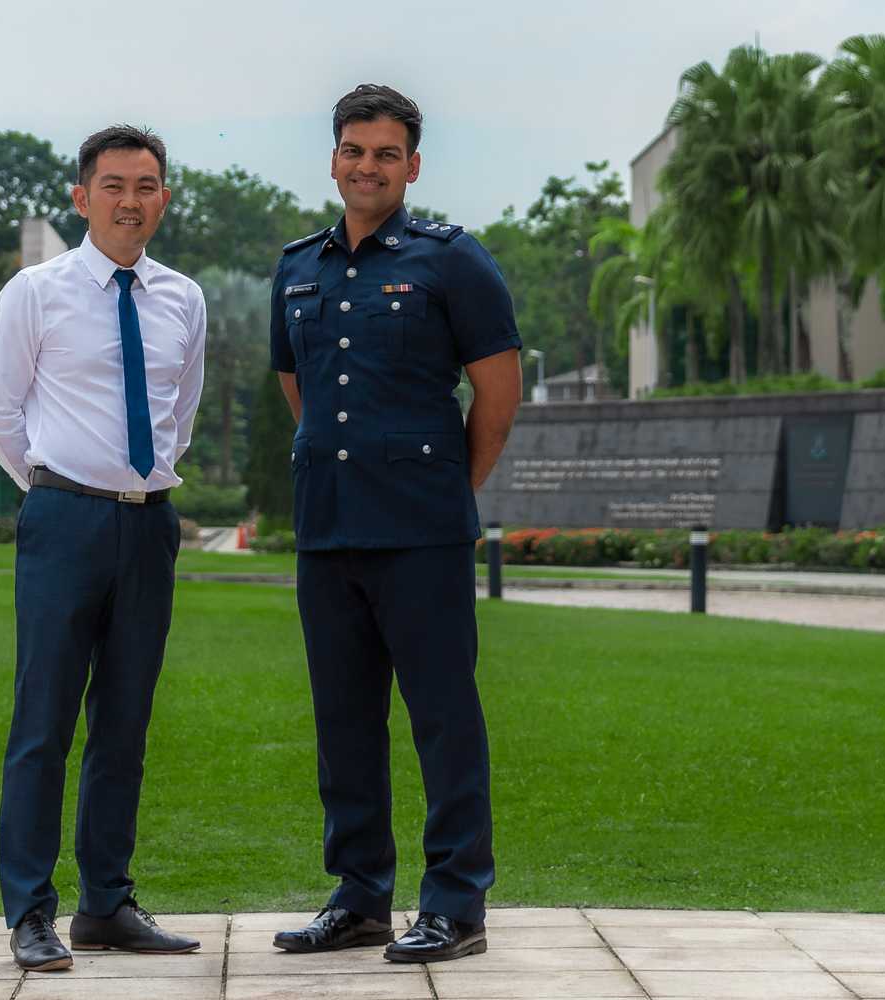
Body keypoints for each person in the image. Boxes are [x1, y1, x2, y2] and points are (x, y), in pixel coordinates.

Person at [268, 84, 522, 964]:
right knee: (343, 722)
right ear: (332, 158)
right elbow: (296, 386)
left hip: (421, 532)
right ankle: (360, 896)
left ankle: (457, 903)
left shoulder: (454, 261)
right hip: (328, 529)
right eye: (352, 150)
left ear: (412, 166)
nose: (366, 166)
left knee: (444, 718)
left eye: (385, 154)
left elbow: (498, 391)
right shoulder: (297, 266)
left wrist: (450, 483)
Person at [0, 124, 207, 973]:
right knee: (44, 721)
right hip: (63, 519)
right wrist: (53, 486)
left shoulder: (183, 297)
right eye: (113, 185)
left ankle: (105, 904)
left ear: (164, 199)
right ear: (81, 197)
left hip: (150, 524)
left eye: (146, 186)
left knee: (126, 721)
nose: (130, 201)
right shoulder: (35, 291)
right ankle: (30, 910)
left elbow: (180, 411)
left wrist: (139, 481)